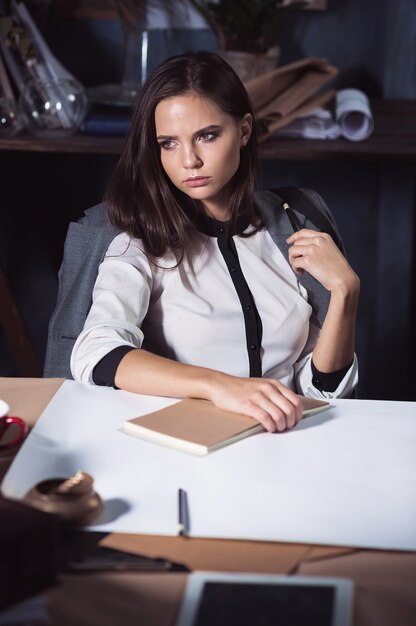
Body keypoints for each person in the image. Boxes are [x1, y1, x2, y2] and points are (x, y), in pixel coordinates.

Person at [71, 50, 359, 433]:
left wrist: (346, 292)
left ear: (243, 131)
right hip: (185, 446)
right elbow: (97, 352)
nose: (189, 160)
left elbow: (318, 391)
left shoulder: (293, 227)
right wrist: (219, 386)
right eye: (168, 143)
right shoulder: (141, 241)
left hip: (293, 443)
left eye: (207, 136)